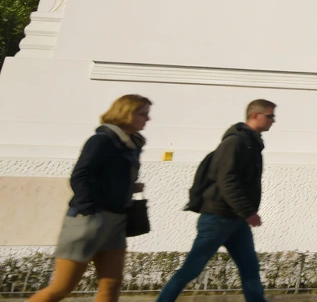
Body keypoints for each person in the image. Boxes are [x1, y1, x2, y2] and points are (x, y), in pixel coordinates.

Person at [27, 94, 151, 302]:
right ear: (126, 113)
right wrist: (88, 210)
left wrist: (129, 187)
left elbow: (107, 177)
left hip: (117, 221)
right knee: (62, 287)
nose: (148, 119)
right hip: (89, 219)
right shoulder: (102, 140)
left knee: (111, 285)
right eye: (143, 113)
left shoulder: (130, 145)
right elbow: (80, 175)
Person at [155, 100, 276, 302]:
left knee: (250, 269)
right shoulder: (235, 142)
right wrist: (248, 212)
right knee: (191, 269)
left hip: (236, 220)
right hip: (218, 219)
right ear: (255, 115)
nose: (274, 120)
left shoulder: (251, 143)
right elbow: (226, 180)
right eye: (270, 116)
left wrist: (245, 214)